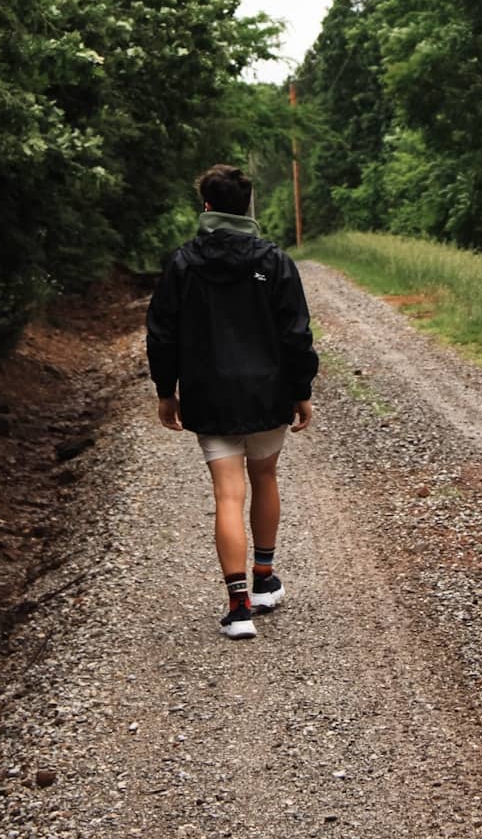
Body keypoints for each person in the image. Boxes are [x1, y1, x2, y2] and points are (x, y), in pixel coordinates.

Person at [146, 164, 319, 639]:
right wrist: (301, 390)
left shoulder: (183, 263)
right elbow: (297, 334)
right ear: (247, 207)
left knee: (227, 494)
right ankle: (265, 580)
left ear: (205, 206)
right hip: (268, 393)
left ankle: (239, 607)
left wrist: (167, 392)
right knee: (264, 477)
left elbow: (161, 335)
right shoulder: (275, 260)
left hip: (210, 395)